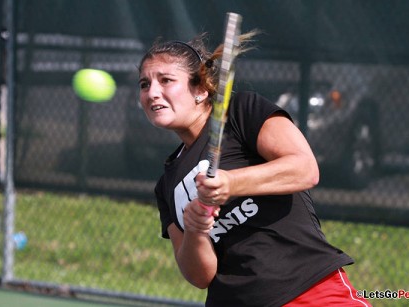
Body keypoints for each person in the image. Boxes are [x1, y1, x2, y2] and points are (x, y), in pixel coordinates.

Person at [137, 32, 371, 307]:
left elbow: (304, 168)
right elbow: (199, 276)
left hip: (309, 292)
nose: (152, 92)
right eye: (144, 84)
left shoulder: (241, 113)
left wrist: (231, 183)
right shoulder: (168, 183)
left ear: (200, 89)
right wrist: (195, 230)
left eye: (165, 80)